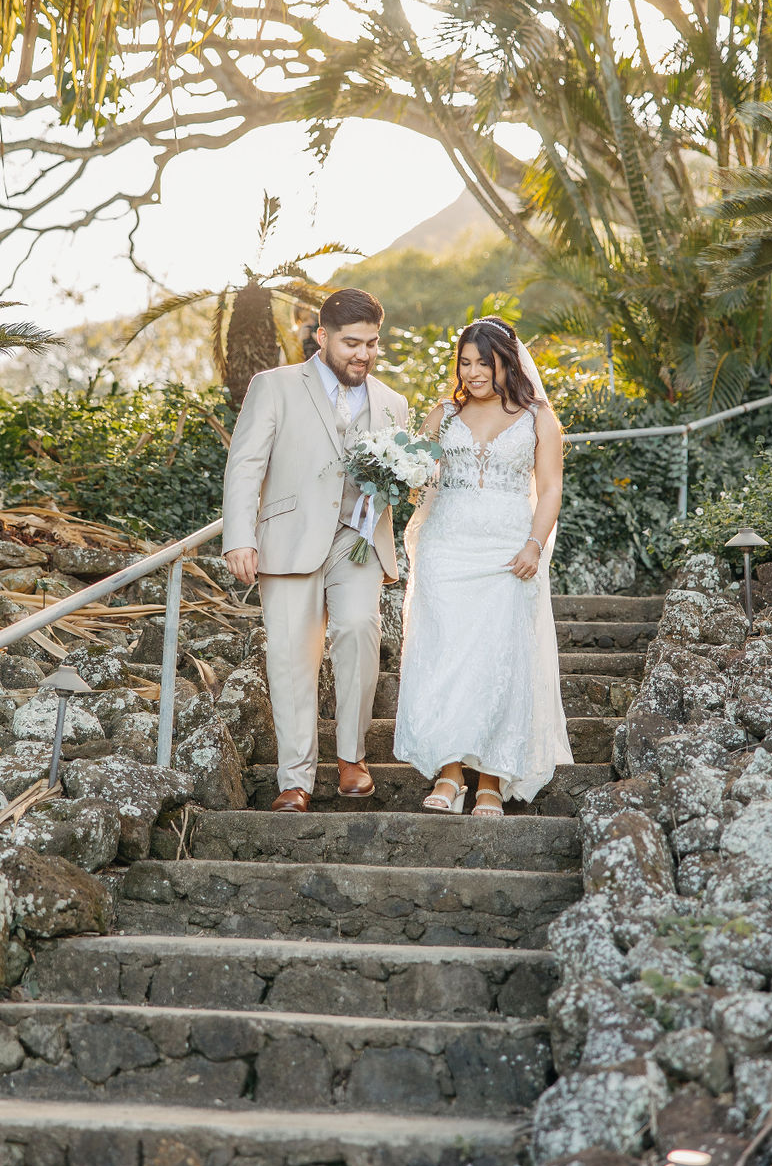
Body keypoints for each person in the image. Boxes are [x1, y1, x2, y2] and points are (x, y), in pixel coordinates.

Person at [222, 288, 408, 812]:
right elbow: (246, 464)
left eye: (372, 344)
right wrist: (239, 536)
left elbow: (398, 477)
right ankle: (295, 780)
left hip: (358, 543)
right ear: (322, 336)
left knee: (358, 630)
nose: (363, 355)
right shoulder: (273, 386)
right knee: (290, 659)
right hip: (288, 539)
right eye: (352, 343)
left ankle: (352, 758)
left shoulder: (393, 403)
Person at [394, 316, 573, 816]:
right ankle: (449, 775)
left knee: (500, 660)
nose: (472, 373)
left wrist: (535, 545)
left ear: (507, 363)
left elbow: (552, 487)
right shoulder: (443, 415)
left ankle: (491, 779)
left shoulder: (538, 416)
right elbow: (416, 475)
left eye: (483, 363)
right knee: (445, 658)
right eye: (465, 363)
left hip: (507, 552)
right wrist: (398, 471)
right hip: (446, 548)